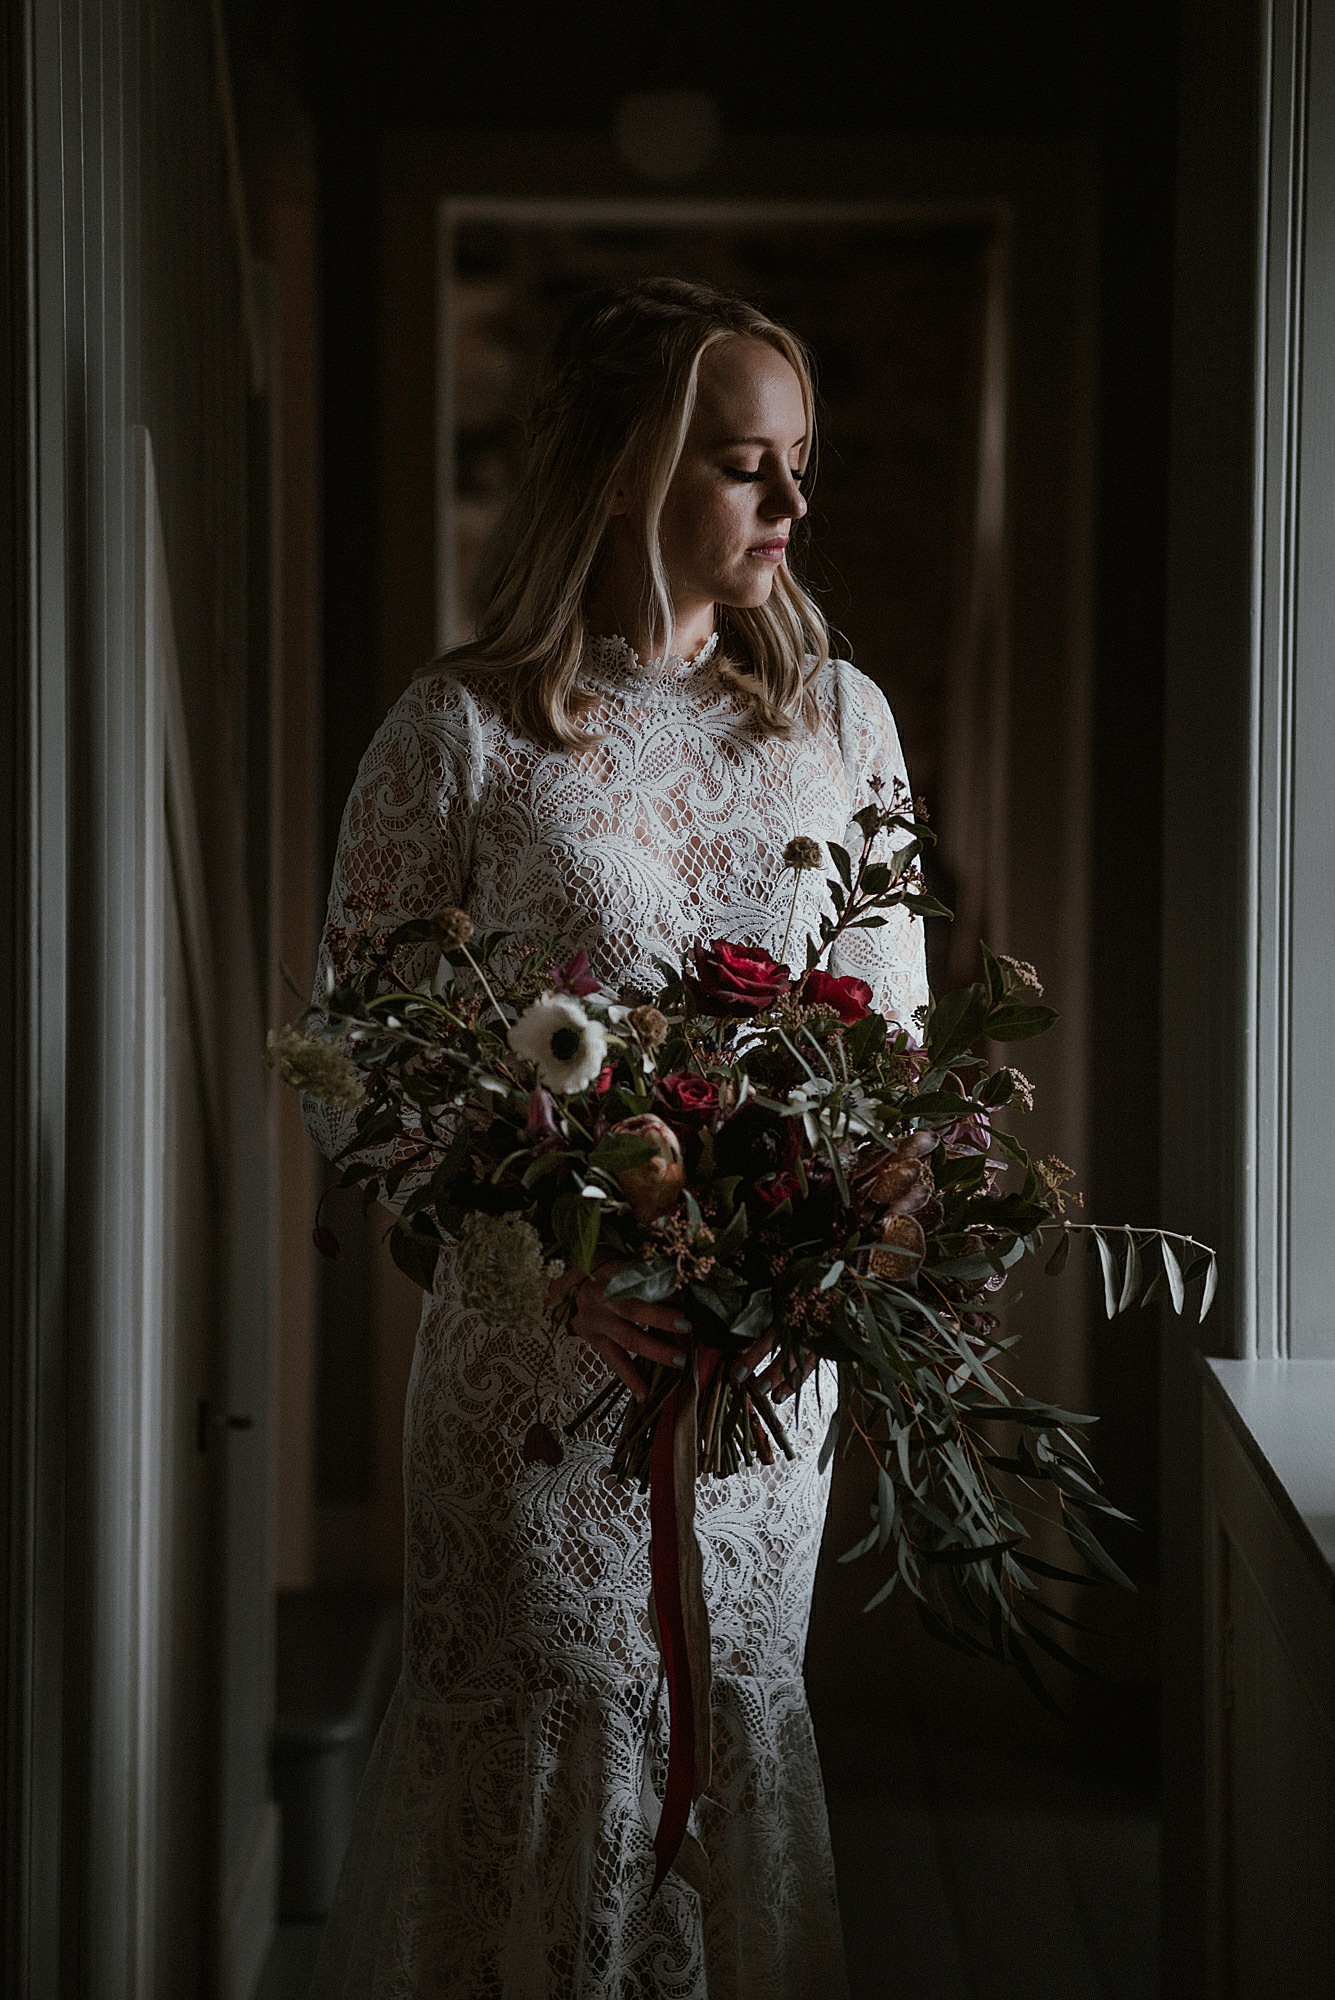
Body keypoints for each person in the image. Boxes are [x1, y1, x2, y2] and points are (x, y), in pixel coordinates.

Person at [304, 276, 929, 1999]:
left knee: (727, 1732)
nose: (796, 507)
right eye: (750, 465)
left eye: (800, 462)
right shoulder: (463, 734)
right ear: (624, 473)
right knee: (552, 1756)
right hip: (533, 1386)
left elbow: (894, 1058)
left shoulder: (839, 727)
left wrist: (832, 1244)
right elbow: (353, 1064)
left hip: (754, 1401)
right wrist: (550, 1265)